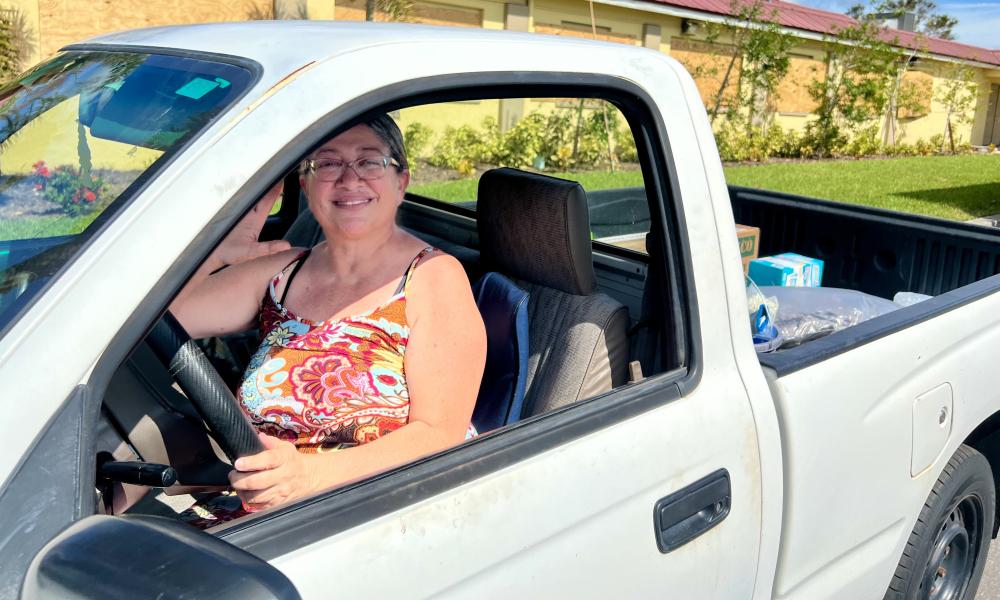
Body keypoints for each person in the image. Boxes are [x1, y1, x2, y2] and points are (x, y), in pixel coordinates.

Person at [170, 115, 487, 525]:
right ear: (306, 185)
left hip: (373, 508)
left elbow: (438, 433)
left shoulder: (433, 278)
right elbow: (158, 320)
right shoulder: (284, 271)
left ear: (401, 182)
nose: (349, 179)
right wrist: (218, 253)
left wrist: (309, 475)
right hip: (261, 500)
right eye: (329, 163)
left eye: (370, 162)